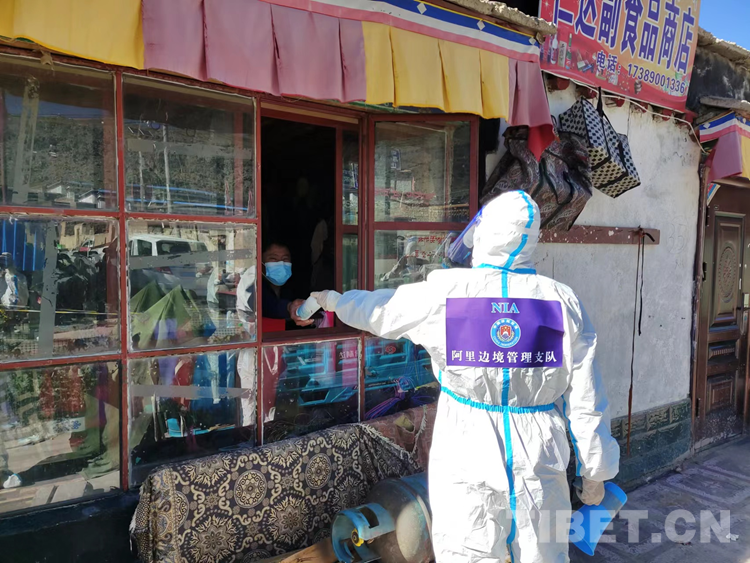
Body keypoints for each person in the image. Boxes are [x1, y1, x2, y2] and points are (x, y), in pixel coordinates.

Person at [312, 190, 620, 563]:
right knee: (542, 550)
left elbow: (381, 310)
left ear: (484, 232)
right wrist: (595, 471)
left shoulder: (448, 292)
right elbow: (587, 397)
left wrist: (333, 301)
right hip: (539, 447)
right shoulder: (561, 301)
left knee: (467, 548)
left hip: (466, 441)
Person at [261, 241, 313, 328]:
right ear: (260, 262)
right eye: (273, 259)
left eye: (285, 259)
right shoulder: (253, 286)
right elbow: (267, 305)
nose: (281, 263)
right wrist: (289, 307)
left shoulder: (295, 286)